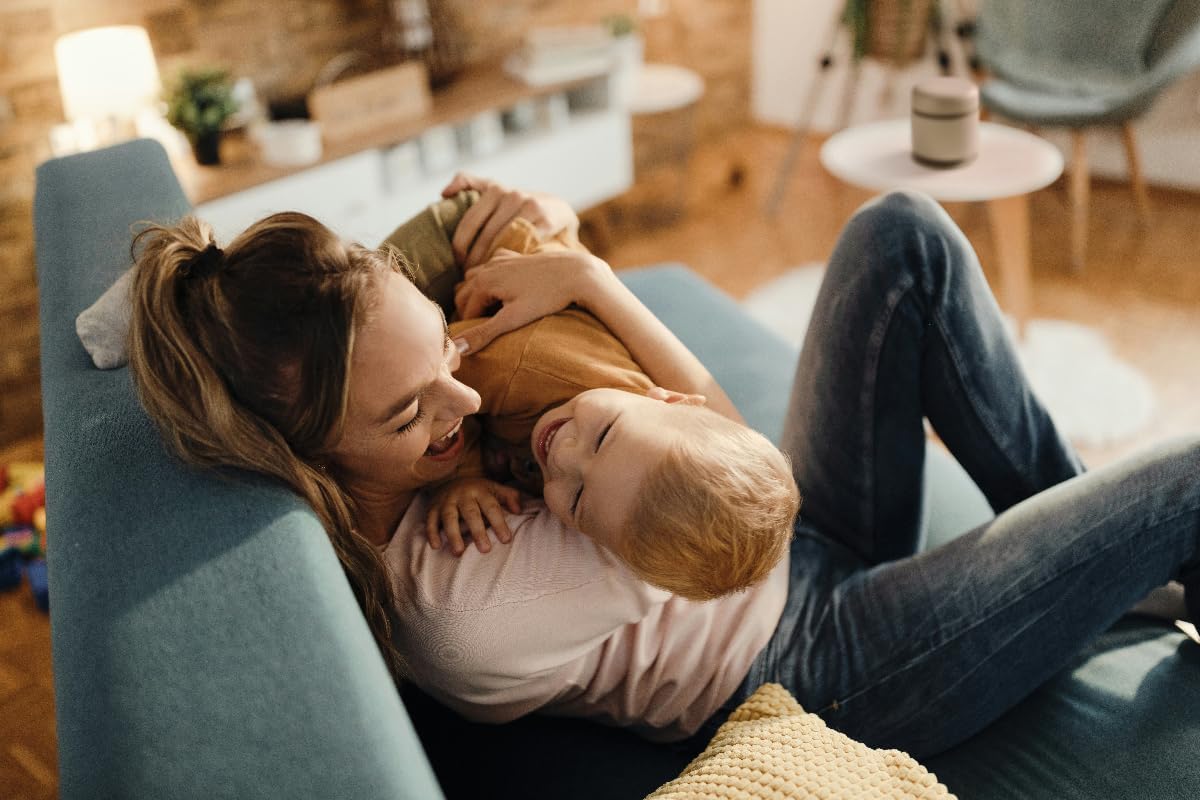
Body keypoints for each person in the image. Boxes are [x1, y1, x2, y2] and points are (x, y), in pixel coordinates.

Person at [126, 174, 1200, 758]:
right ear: (314, 452)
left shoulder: (392, 413)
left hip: (788, 544)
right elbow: (732, 476)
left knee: (902, 231)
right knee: (1187, 476)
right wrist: (591, 283)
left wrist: (529, 249)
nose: (468, 398)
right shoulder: (464, 605)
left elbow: (443, 242)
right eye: (414, 412)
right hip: (816, 658)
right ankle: (1127, 571)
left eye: (444, 349)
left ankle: (1093, 555)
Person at [380, 190, 797, 600]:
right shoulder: (530, 367)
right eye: (603, 436)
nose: (562, 457)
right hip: (471, 247)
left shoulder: (625, 470)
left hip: (553, 281)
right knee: (370, 337)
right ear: (667, 397)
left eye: (578, 498)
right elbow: (439, 372)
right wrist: (462, 477)